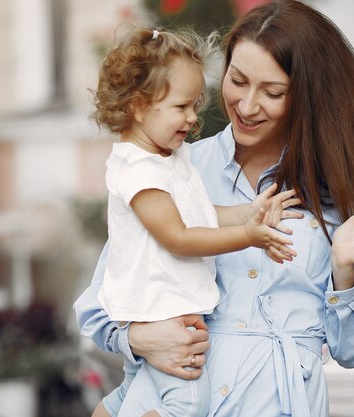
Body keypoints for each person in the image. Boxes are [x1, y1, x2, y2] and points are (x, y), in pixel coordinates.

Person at [74, 1, 354, 416]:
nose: (246, 105)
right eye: (237, 80)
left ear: (308, 98)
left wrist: (343, 268)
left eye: (272, 92)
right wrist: (138, 338)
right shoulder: (174, 169)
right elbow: (100, 302)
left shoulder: (342, 195)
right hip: (182, 398)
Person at [87, 26, 303, 417]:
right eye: (181, 107)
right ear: (138, 106)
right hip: (163, 314)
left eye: (194, 105)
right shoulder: (140, 172)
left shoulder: (169, 157)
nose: (192, 118)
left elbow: (200, 215)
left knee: (133, 394)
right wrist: (247, 236)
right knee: (184, 408)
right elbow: (180, 237)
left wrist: (248, 212)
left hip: (171, 311)